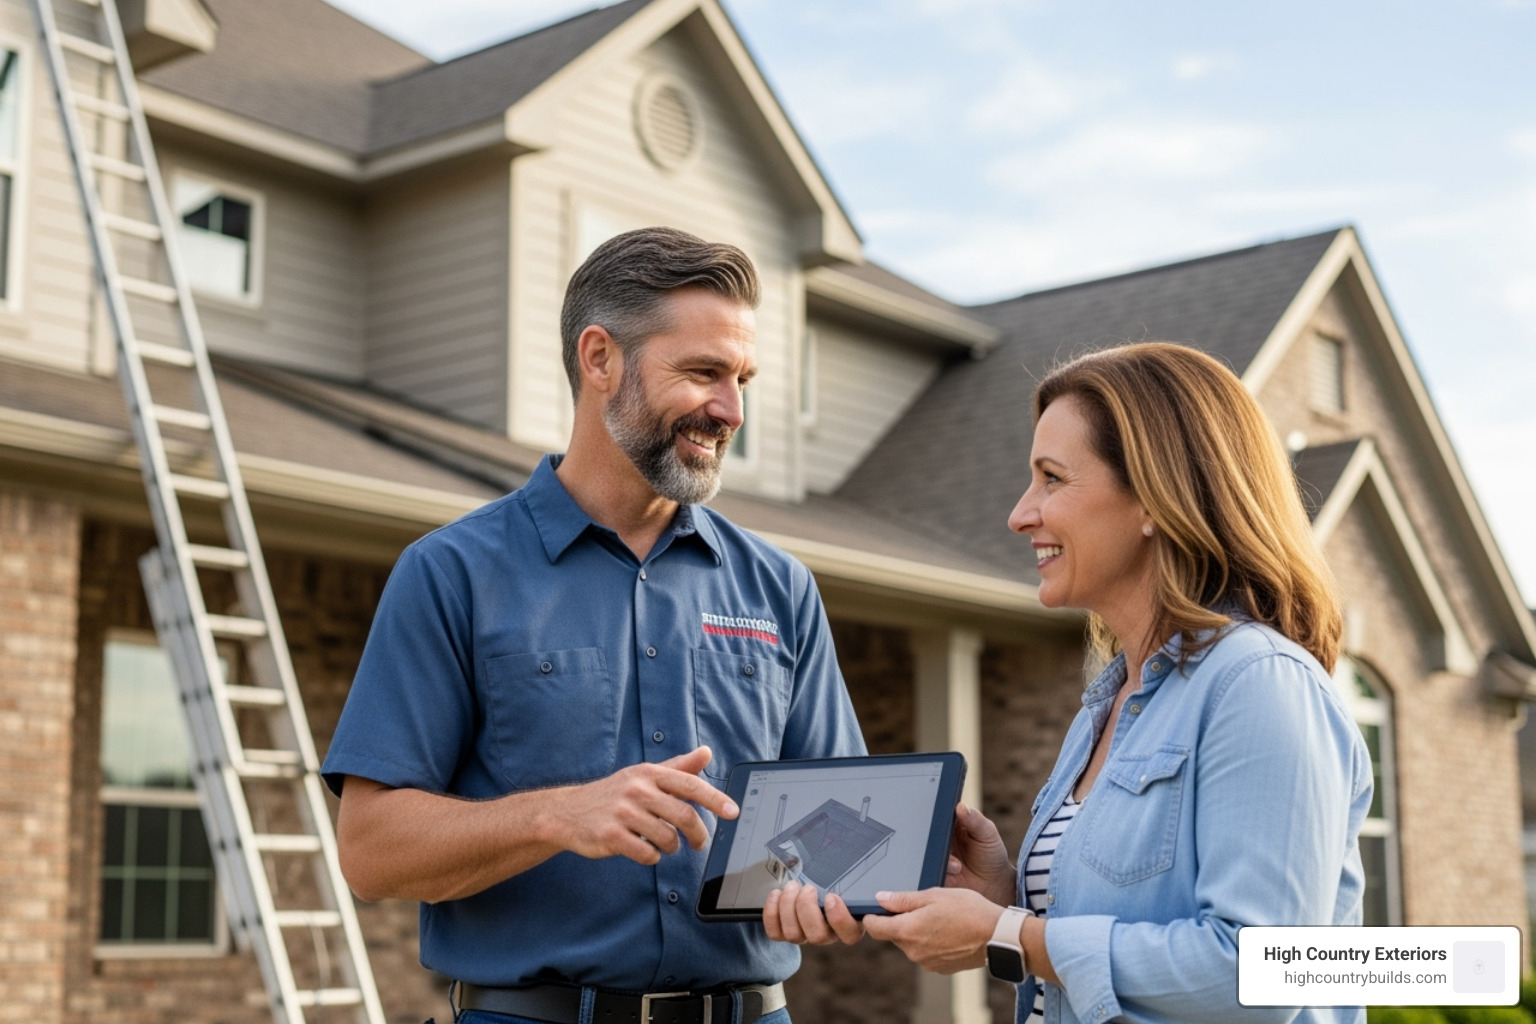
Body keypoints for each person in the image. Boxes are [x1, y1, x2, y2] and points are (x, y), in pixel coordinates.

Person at [323, 226, 866, 1024]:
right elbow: (369, 852)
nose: (731, 409)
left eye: (743, 378)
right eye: (704, 373)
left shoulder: (780, 588)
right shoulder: (452, 574)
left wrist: (816, 888)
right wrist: (558, 815)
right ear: (600, 358)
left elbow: (837, 835)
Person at [765, 342, 1372, 1024]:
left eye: (1052, 478)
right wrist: (1005, 902)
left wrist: (1009, 934)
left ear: (1154, 497)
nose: (1020, 514)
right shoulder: (1106, 707)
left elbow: (1258, 972)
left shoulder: (1258, 685)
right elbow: (1105, 946)